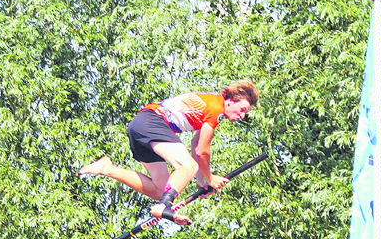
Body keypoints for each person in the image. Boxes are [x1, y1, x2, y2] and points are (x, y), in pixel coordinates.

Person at [79, 80, 259, 225]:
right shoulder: (217, 109)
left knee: (160, 189)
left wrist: (201, 182)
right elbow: (202, 150)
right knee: (186, 165)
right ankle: (164, 205)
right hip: (152, 122)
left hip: (141, 126)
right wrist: (211, 177)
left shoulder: (211, 104)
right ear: (230, 100)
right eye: (242, 109)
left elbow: (196, 144)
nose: (242, 116)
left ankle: (107, 169)